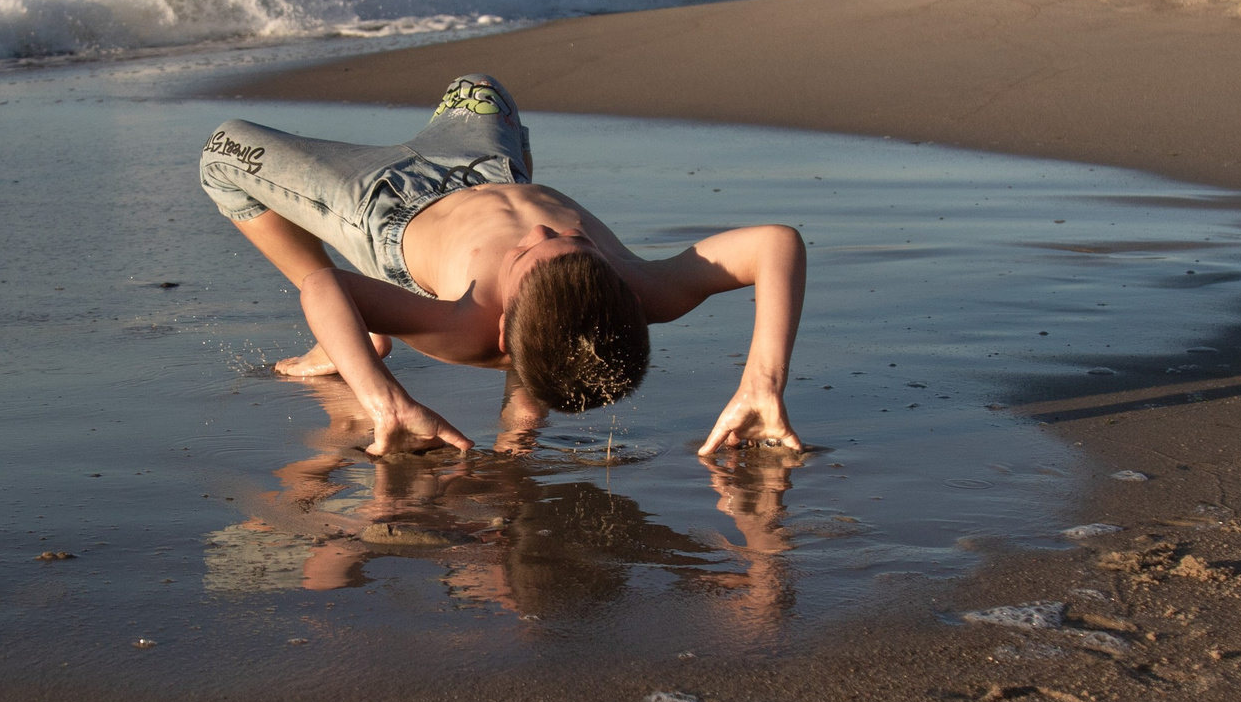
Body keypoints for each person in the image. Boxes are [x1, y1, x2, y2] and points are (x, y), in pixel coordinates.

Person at [198, 73, 806, 457]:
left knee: (221, 152)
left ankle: (351, 340)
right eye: (576, 240)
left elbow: (325, 284)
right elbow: (776, 243)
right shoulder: (647, 289)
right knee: (477, 87)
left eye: (527, 254)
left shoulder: (462, 325)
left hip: (383, 204)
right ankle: (376, 330)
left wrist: (388, 401)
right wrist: (762, 383)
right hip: (486, 165)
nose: (541, 228)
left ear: (503, 321)